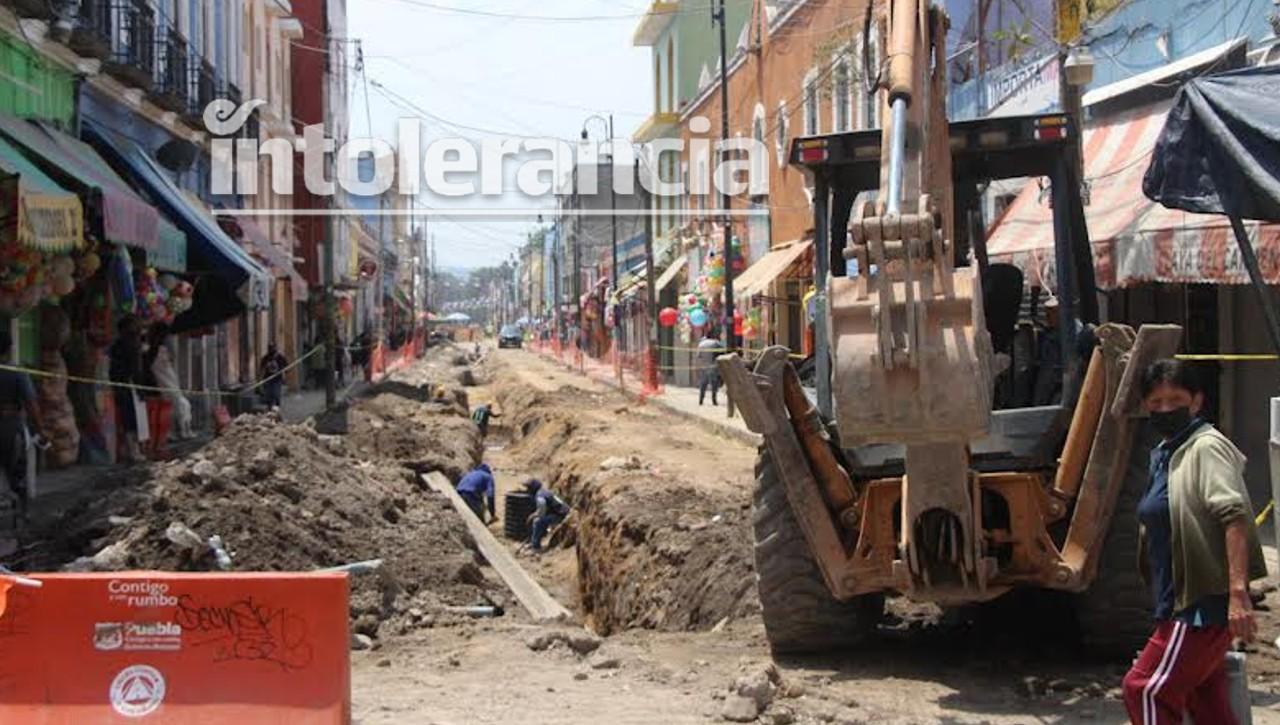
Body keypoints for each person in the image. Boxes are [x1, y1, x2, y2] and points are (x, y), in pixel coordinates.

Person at [1121, 359, 1268, 725]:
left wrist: (1238, 594)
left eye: (1175, 399)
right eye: (1155, 403)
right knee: (1207, 701)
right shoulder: (1166, 454)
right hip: (1176, 599)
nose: (1165, 409)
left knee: (1145, 689)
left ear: (1197, 401)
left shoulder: (1205, 447)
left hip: (1201, 604)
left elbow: (1232, 515)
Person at [0, 329, 44, 499]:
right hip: (11, 425)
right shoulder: (17, 373)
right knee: (19, 470)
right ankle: (22, 509)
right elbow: (31, 404)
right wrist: (41, 430)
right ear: (9, 349)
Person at [108, 316, 144, 463]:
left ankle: (128, 450)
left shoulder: (118, 345)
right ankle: (132, 451)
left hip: (121, 384)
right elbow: (136, 369)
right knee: (131, 419)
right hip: (129, 385)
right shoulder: (131, 345)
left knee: (127, 419)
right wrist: (140, 388)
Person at [150, 326, 192, 441]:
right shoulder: (158, 351)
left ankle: (181, 430)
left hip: (168, 384)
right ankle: (177, 431)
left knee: (181, 404)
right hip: (165, 386)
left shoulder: (158, 351)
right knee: (177, 405)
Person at [525, 479, 570, 553]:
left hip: (561, 515)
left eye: (528, 488)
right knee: (540, 519)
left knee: (537, 522)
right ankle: (533, 542)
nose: (527, 490)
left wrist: (533, 516)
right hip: (561, 512)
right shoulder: (544, 491)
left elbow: (541, 511)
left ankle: (536, 547)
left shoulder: (539, 496)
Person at [697, 329, 722, 407]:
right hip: (713, 366)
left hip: (704, 366)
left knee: (703, 384)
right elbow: (722, 353)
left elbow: (698, 356)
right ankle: (714, 401)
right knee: (714, 384)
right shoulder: (716, 343)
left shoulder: (701, 344)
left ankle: (701, 400)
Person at [259, 344, 288, 409]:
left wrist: (284, 375)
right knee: (269, 395)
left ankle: (277, 408)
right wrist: (261, 379)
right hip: (268, 379)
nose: (272, 350)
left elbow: (286, 366)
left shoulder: (280, 357)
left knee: (276, 394)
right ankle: (269, 408)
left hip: (277, 379)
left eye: (273, 348)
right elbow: (261, 368)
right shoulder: (266, 358)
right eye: (270, 349)